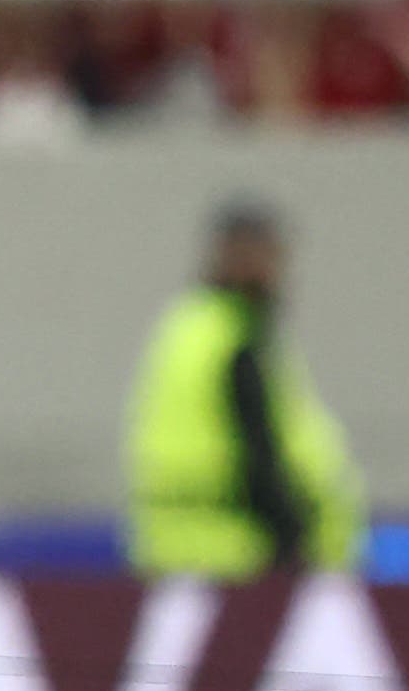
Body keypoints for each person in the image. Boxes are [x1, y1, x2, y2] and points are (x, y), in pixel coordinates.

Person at [124, 197, 365, 580]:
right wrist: (293, 540)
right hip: (238, 555)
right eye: (266, 258)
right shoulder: (233, 338)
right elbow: (257, 451)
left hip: (183, 550)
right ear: (235, 257)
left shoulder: (188, 327)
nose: (275, 272)